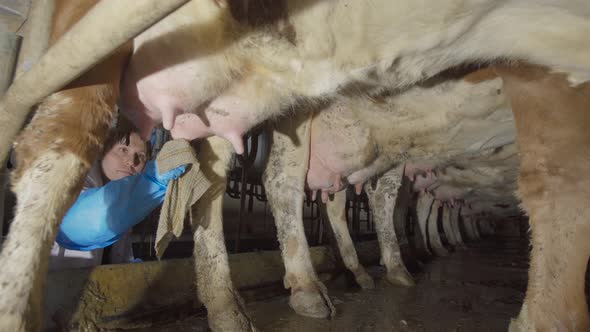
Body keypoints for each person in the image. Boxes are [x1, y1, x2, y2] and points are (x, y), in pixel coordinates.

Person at [49, 124, 186, 270]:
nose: (132, 162)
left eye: (141, 156)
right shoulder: (73, 180)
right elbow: (87, 222)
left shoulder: (126, 199)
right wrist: (155, 181)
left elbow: (118, 258)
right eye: (123, 150)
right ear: (102, 152)